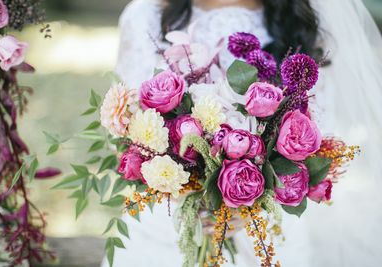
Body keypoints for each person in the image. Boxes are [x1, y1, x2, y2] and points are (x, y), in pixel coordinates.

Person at [102, 0, 382, 266]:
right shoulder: (145, 16)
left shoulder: (304, 22)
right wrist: (187, 191)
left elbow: (316, 135)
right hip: (165, 222)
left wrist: (247, 199)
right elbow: (123, 128)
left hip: (267, 234)